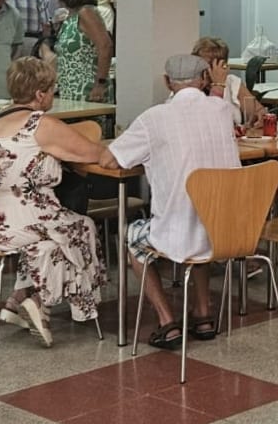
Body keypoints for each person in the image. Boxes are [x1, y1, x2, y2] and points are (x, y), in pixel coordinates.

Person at [98, 54, 241, 348]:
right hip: (226, 230)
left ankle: (166, 321)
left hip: (179, 231)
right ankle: (203, 313)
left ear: (167, 82)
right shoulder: (222, 110)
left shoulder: (154, 118)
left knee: (132, 240)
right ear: (203, 79)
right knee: (201, 223)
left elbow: (109, 160)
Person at [0, 58, 107, 346]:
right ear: (40, 94)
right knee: (82, 227)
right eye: (52, 89)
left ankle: (18, 298)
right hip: (24, 218)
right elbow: (94, 154)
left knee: (50, 243)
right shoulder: (40, 124)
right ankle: (39, 301)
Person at [43, 0, 112, 102]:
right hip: (71, 88)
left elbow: (105, 46)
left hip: (87, 89)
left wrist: (100, 83)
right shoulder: (71, 16)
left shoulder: (86, 13)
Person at [192, 36, 256, 112]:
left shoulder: (232, 82)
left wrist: (259, 114)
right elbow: (209, 115)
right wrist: (217, 86)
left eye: (210, 64)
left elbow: (257, 111)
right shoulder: (189, 86)